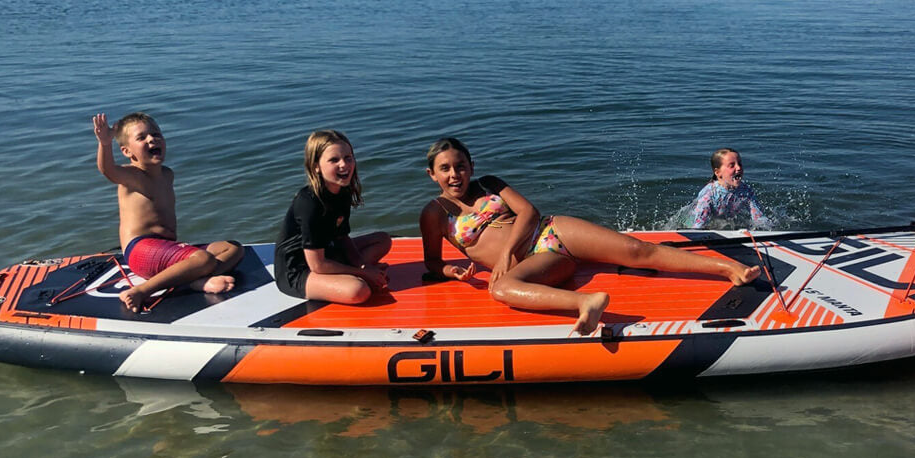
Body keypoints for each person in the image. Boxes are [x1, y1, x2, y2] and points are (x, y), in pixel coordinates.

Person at [419, 138, 760, 334]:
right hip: (539, 263)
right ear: (432, 174)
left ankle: (724, 268)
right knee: (502, 289)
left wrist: (507, 252)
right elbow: (432, 261)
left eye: (460, 165)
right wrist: (451, 271)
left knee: (635, 249)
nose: (454, 174)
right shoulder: (434, 214)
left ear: (471, 166)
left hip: (551, 230)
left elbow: (529, 213)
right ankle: (586, 302)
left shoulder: (489, 184)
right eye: (445, 168)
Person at [93, 112, 243, 312]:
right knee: (203, 259)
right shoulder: (133, 176)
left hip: (166, 248)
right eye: (142, 137)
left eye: (156, 134)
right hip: (140, 251)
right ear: (127, 151)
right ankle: (142, 291)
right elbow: (108, 170)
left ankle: (195, 280)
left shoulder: (167, 174)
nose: (151, 139)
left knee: (233, 248)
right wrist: (105, 143)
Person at [275, 129, 392, 305]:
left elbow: (342, 237)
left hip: (327, 253)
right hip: (298, 271)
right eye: (334, 160)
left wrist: (362, 266)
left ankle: (345, 275)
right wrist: (363, 274)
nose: (344, 164)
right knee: (358, 291)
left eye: (348, 157)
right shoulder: (309, 203)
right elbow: (318, 265)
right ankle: (344, 279)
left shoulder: (341, 191)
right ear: (316, 166)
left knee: (383, 240)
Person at [686, 148, 773, 230]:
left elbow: (758, 217)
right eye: (732, 165)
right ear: (718, 172)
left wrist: (768, 228)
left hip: (723, 221)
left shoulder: (746, 191)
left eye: (740, 163)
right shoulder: (709, 194)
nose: (738, 168)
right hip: (692, 222)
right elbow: (698, 225)